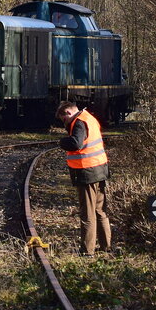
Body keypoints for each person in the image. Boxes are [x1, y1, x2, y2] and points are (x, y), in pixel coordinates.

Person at [56, 101, 113, 256]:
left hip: (87, 172)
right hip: (100, 169)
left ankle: (87, 250)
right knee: (100, 211)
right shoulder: (89, 118)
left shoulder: (79, 122)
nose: (65, 123)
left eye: (64, 119)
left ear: (68, 113)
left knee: (87, 213)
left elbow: (76, 143)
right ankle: (106, 246)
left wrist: (62, 142)